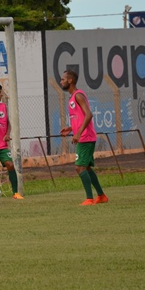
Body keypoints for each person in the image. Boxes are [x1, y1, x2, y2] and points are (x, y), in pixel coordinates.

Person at [59, 70, 108, 206]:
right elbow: (80, 117)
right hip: (84, 136)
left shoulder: (78, 95)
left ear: (70, 81)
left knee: (79, 167)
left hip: (85, 137)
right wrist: (70, 128)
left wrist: (79, 133)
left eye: (63, 79)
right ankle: (101, 196)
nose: (60, 81)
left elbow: (89, 115)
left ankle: (89, 198)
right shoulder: (72, 97)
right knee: (85, 168)